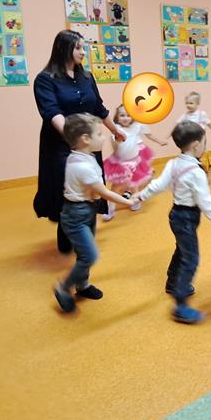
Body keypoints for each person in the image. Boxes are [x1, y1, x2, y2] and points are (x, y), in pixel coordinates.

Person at [33, 30, 125, 253]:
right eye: (78, 48)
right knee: (66, 188)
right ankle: (67, 234)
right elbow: (52, 112)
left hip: (87, 142)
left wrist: (115, 130)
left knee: (90, 185)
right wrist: (75, 139)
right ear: (63, 48)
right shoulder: (45, 79)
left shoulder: (87, 77)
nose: (83, 52)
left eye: (84, 48)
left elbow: (99, 107)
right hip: (61, 144)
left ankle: (84, 233)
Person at [137, 121, 211, 324]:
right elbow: (205, 202)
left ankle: (172, 282)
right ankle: (180, 305)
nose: (205, 146)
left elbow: (159, 185)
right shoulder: (196, 172)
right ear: (196, 145)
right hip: (187, 217)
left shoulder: (173, 163)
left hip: (176, 215)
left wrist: (141, 195)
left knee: (182, 249)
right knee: (191, 260)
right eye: (204, 142)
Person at [53, 114, 139, 313]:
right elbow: (104, 192)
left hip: (86, 210)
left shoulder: (82, 156)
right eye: (99, 134)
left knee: (84, 254)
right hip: (76, 215)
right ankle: (63, 287)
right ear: (85, 139)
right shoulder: (82, 166)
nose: (103, 137)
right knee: (90, 256)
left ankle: (82, 285)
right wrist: (129, 201)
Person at [102, 104, 165, 220]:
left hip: (134, 162)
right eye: (122, 115)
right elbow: (115, 147)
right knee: (115, 187)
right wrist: (116, 140)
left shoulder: (136, 126)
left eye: (128, 115)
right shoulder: (116, 129)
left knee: (134, 184)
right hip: (120, 163)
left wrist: (160, 141)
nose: (126, 118)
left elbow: (148, 132)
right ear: (117, 117)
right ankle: (110, 209)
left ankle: (135, 201)